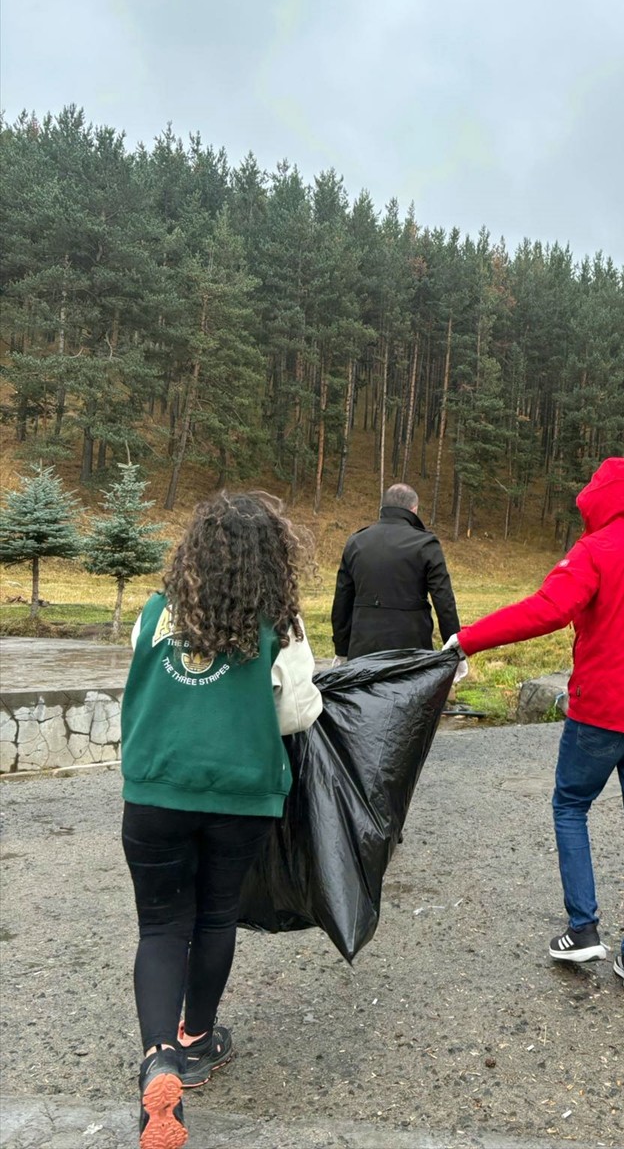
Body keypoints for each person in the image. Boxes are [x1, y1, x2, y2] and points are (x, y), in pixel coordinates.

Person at [445, 458, 624, 996]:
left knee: (570, 805)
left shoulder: (595, 552)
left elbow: (547, 608)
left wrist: (468, 639)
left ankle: (583, 928)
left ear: (600, 496)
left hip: (600, 716)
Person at [120, 491, 323, 1149]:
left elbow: (142, 673)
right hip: (240, 796)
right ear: (273, 557)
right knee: (213, 915)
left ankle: (159, 1059)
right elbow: (296, 714)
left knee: (160, 926)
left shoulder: (156, 611)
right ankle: (198, 1038)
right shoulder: (280, 624)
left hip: (155, 791)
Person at [331, 482, 460, 660]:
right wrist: (454, 650)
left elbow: (342, 600)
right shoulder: (426, 543)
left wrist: (342, 647)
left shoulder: (356, 542)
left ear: (382, 507)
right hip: (412, 648)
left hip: (363, 648)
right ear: (414, 509)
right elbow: (444, 601)